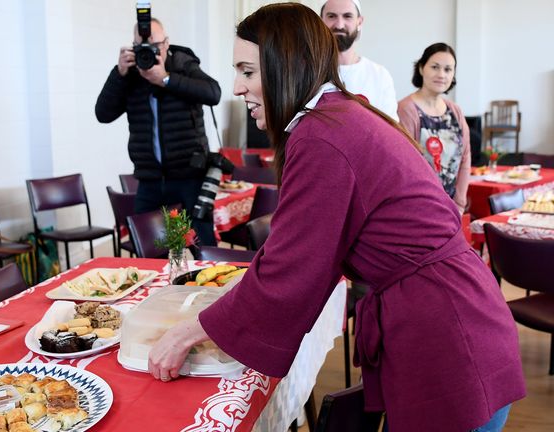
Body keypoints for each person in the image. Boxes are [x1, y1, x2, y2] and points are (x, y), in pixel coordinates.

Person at [148, 4, 525, 431]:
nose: (237, 86)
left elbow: (291, 273)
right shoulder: (336, 115)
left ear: (286, 65)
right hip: (455, 316)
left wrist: (188, 331)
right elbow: (298, 250)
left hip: (448, 333)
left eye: (248, 71)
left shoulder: (323, 135)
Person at [95, 18, 221, 246]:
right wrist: (119, 73)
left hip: (189, 176)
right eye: (140, 46)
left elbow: (213, 93)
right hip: (150, 178)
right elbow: (102, 114)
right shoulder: (130, 75)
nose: (148, 52)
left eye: (154, 45)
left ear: (166, 44)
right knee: (148, 247)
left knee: (204, 246)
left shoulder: (182, 63)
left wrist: (166, 79)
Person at [397, 43, 470, 213]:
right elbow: (406, 166)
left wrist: (459, 204)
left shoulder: (455, 111)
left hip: (452, 208)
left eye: (448, 69)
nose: (441, 75)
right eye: (435, 67)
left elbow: (465, 158)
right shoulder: (406, 109)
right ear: (421, 68)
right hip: (418, 207)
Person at [320, 0, 399, 120]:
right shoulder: (309, 73)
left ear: (359, 22)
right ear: (321, 21)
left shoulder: (380, 76)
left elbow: (390, 128)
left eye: (347, 16)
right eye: (331, 16)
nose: (339, 25)